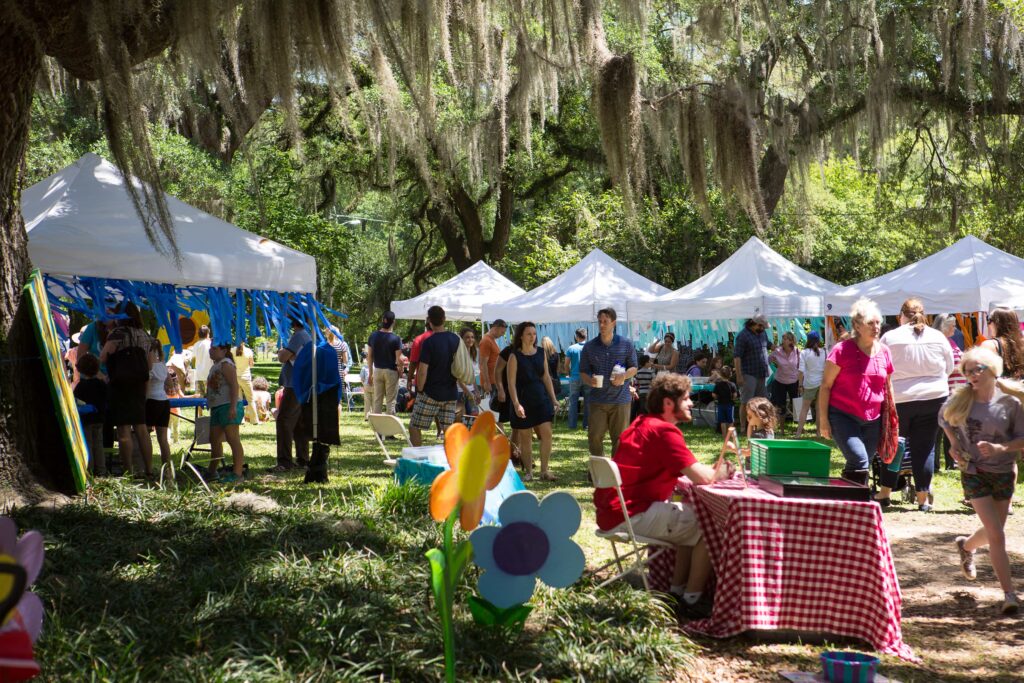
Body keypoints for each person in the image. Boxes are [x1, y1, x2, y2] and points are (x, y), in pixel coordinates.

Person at [593, 373, 736, 619]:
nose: (691, 403)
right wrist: (723, 471)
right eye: (686, 398)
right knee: (711, 524)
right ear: (669, 404)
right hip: (631, 513)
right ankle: (691, 600)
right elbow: (703, 477)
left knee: (690, 520)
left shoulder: (641, 423)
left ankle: (675, 593)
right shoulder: (664, 432)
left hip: (613, 513)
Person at [939, 346, 1024, 615]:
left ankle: (965, 546)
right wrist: (953, 444)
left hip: (1003, 472)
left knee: (992, 531)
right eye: (967, 371)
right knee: (998, 535)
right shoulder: (961, 400)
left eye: (977, 369)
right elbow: (944, 419)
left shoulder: (1011, 403)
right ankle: (1009, 596)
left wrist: (1002, 448)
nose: (972, 375)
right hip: (974, 472)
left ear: (992, 370)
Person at [876, 298, 954, 511]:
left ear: (901, 315)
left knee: (893, 445)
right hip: (934, 397)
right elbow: (949, 367)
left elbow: (880, 367)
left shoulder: (889, 337)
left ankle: (884, 492)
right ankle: (923, 498)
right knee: (925, 447)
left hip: (900, 398)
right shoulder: (938, 336)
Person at [818, 298, 894, 485]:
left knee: (862, 464)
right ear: (857, 326)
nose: (876, 327)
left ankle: (849, 502)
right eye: (871, 323)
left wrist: (890, 416)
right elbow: (825, 386)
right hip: (843, 415)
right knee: (859, 460)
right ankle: (857, 500)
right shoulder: (841, 350)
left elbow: (888, 386)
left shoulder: (884, 351)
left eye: (878, 322)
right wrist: (823, 420)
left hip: (874, 419)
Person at [100, 302, 154, 479]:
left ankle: (128, 471)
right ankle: (149, 469)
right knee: (141, 428)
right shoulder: (145, 335)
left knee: (123, 429)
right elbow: (150, 364)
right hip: (139, 384)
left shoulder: (117, 333)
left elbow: (103, 357)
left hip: (120, 384)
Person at [580, 308, 638, 457]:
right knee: (594, 438)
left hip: (620, 400)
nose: (602, 325)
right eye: (600, 321)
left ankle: (615, 474)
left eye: (605, 321)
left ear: (614, 323)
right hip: (597, 400)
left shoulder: (626, 344)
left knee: (619, 440)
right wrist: (589, 380)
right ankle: (598, 472)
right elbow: (583, 372)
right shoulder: (589, 346)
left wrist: (624, 376)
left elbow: (634, 368)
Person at [506, 322, 558, 481]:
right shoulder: (514, 356)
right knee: (525, 437)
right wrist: (516, 404)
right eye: (529, 334)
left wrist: (554, 399)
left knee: (547, 434)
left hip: (540, 398)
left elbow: (546, 377)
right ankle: (529, 471)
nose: (532, 337)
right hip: (522, 399)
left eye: (534, 334)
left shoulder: (541, 352)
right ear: (521, 336)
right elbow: (511, 383)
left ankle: (544, 471)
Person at [408, 306, 461, 446]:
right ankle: (449, 462)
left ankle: (417, 459)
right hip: (451, 393)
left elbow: (423, 370)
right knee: (448, 430)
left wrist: (419, 388)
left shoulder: (429, 342)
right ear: (444, 318)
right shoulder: (455, 339)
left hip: (431, 393)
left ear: (429, 321)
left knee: (414, 427)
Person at [271, 318, 312, 472]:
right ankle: (303, 459)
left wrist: (283, 352)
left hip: (295, 385)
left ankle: (284, 461)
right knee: (299, 424)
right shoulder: (306, 335)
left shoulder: (298, 335)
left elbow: (282, 357)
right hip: (302, 384)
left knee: (284, 421)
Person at [206, 342, 245, 482]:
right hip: (217, 407)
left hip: (228, 406)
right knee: (214, 440)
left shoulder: (226, 364)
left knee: (232, 438)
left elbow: (235, 386)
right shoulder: (216, 365)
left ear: (224, 350)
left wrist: (233, 407)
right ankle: (211, 471)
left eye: (214, 348)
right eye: (210, 348)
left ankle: (237, 473)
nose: (211, 351)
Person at [933, 313, 967, 469]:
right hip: (944, 390)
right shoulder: (937, 342)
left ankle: (949, 462)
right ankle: (934, 464)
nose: (955, 328)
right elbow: (939, 367)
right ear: (944, 327)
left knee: (951, 427)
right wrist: (958, 368)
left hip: (955, 391)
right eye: (952, 325)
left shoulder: (951, 341)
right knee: (939, 428)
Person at [733, 315, 770, 432]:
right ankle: (744, 428)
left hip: (761, 373)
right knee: (746, 402)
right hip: (748, 373)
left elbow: (767, 344)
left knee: (761, 401)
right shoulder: (742, 336)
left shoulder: (762, 333)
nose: (763, 328)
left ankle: (760, 426)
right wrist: (739, 375)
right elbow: (737, 357)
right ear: (754, 323)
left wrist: (780, 350)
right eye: (761, 326)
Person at [74, 353, 107, 476]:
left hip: (87, 420)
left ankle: (90, 470)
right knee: (98, 444)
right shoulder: (101, 384)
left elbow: (76, 401)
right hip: (99, 419)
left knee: (88, 444)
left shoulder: (81, 386)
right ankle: (101, 470)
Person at [367, 311, 403, 414]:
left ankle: (377, 428)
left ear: (383, 320)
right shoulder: (396, 339)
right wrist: (401, 370)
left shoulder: (373, 336)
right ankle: (390, 428)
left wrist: (370, 373)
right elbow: (399, 359)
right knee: (390, 402)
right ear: (393, 322)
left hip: (377, 370)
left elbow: (369, 356)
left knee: (377, 400)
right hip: (391, 371)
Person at [145, 339, 172, 470]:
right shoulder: (162, 364)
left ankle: (148, 467)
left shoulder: (149, 367)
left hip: (151, 401)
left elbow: (147, 387)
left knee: (146, 435)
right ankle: (167, 469)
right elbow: (170, 384)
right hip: (164, 402)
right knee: (163, 439)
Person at [768, 332, 800, 435]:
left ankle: (801, 428)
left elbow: (801, 367)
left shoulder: (797, 352)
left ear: (791, 340)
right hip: (780, 381)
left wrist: (801, 383)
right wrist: (772, 361)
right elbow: (767, 361)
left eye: (786, 338)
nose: (783, 340)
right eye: (783, 338)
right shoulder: (777, 351)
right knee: (780, 405)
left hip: (794, 381)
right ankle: (781, 430)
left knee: (797, 404)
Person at [795, 331, 825, 437]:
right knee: (819, 409)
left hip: (809, 384)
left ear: (808, 340)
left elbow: (801, 370)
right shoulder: (824, 352)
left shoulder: (804, 352)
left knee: (804, 408)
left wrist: (800, 384)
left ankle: (798, 433)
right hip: (821, 383)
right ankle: (818, 433)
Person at [982, 308, 1024, 379]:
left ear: (995, 323)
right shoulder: (1021, 344)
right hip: (1019, 388)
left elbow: (983, 372)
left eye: (989, 321)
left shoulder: (990, 345)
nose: (988, 324)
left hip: (999, 388)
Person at [563, 327, 589, 430]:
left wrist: (568, 373)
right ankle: (586, 425)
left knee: (573, 402)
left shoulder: (571, 348)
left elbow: (566, 364)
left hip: (574, 377)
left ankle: (572, 425)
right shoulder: (589, 347)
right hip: (587, 377)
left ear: (576, 336)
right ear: (585, 336)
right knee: (588, 402)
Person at [478, 319, 508, 402]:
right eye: (502, 332)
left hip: (494, 380)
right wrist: (487, 382)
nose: (502, 335)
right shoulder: (486, 341)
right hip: (490, 382)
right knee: (493, 406)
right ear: (495, 328)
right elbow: (482, 364)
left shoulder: (491, 340)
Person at [456, 327, 481, 422]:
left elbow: (472, 375)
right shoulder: (458, 354)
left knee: (473, 419)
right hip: (459, 392)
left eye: (472, 337)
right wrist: (468, 392)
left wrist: (476, 391)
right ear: (461, 339)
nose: (470, 339)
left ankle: (470, 437)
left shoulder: (473, 353)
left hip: (471, 392)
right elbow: (458, 378)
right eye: (467, 337)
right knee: (461, 420)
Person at [232, 340, 258, 425]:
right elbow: (251, 364)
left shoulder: (232, 350)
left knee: (239, 400)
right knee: (250, 399)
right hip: (246, 377)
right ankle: (254, 420)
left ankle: (240, 419)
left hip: (235, 377)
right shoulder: (249, 351)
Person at [712, 366, 736, 438]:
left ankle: (724, 435)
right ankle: (730, 435)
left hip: (720, 404)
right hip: (730, 404)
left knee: (722, 421)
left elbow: (713, 394)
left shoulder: (718, 384)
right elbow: (735, 395)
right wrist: (733, 398)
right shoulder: (732, 384)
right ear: (730, 374)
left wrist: (717, 397)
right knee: (730, 421)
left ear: (721, 374)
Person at [192, 325, 213, 402]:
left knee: (199, 396)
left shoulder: (196, 344)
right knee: (211, 396)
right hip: (209, 373)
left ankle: (199, 413)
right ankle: (211, 412)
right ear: (207, 333)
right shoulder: (210, 344)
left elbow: (193, 358)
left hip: (199, 374)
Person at [632, 356, 656, 420]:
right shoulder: (651, 372)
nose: (650, 363)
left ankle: (642, 418)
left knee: (642, 407)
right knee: (648, 407)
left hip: (641, 392)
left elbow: (636, 384)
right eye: (649, 361)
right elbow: (654, 382)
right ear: (646, 363)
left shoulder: (638, 372)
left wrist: (636, 391)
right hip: (649, 392)